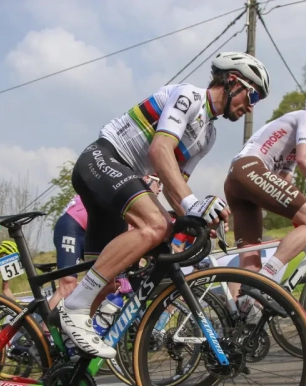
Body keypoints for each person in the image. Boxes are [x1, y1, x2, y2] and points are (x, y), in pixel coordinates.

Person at [56, 51, 271, 359]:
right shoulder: (189, 97)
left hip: (117, 177)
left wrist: (196, 223)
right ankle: (74, 306)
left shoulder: (207, 135)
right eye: (252, 96)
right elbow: (160, 151)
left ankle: (61, 362)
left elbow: (173, 184)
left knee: (106, 280)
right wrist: (194, 205)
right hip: (103, 159)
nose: (251, 106)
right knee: (156, 225)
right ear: (233, 82)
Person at [224, 92, 306, 293]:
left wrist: (303, 218)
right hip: (250, 169)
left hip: (236, 178)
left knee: (250, 264)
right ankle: (266, 281)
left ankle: (238, 315)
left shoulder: (292, 139)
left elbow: (285, 182)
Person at [48, 174, 162, 310]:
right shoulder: (132, 193)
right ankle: (45, 330)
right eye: (159, 183)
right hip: (73, 226)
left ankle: (80, 323)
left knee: (106, 286)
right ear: (147, 180)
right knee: (68, 285)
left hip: (93, 234)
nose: (160, 189)